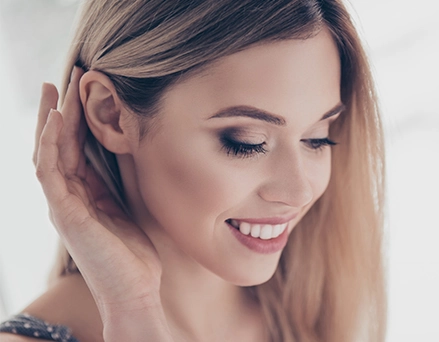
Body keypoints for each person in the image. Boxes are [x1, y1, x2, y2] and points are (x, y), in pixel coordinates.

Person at [0, 0, 386, 341]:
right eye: (246, 141)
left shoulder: (314, 313)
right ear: (111, 114)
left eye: (317, 138)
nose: (300, 191)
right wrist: (133, 311)